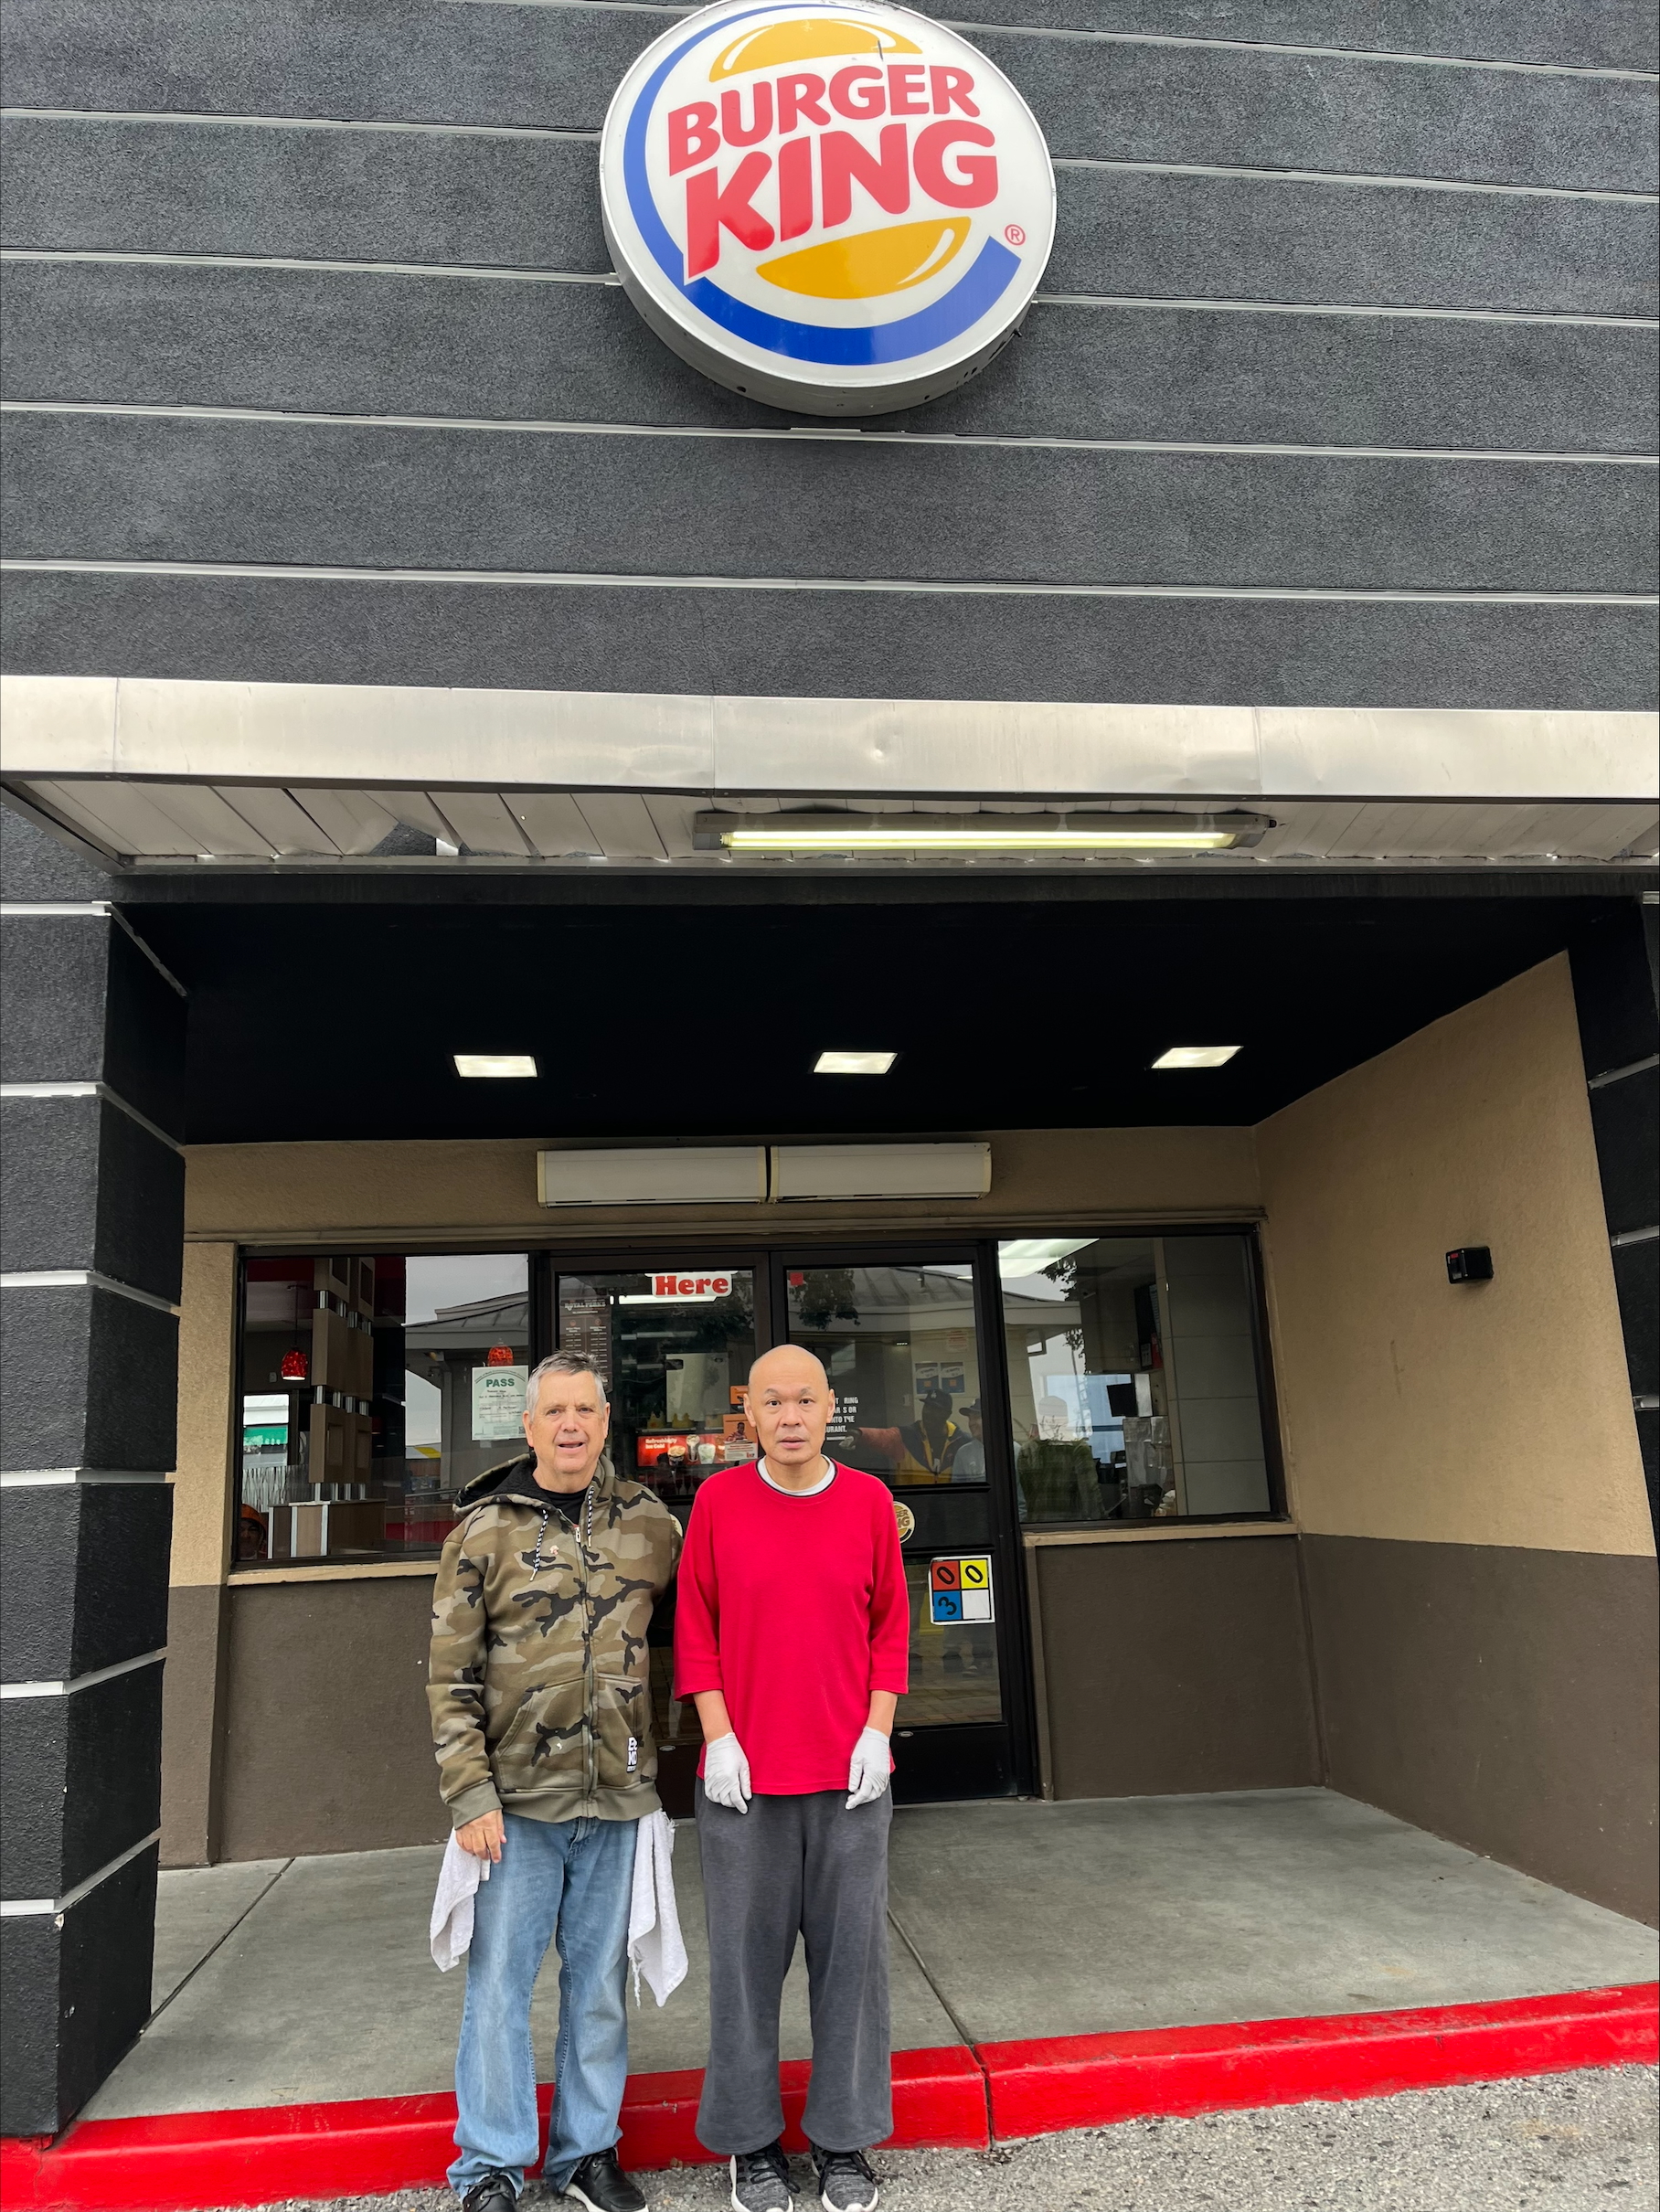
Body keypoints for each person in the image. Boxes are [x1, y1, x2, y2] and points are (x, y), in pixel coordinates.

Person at [429, 1353, 682, 2212]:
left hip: (617, 1800)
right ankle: (490, 2167)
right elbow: (448, 1677)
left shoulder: (653, 1526)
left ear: (607, 1421)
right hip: (516, 1805)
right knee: (500, 1986)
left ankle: (587, 2153)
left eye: (586, 1409)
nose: (571, 1425)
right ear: (530, 1426)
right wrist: (469, 1797)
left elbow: (690, 1645)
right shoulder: (483, 1531)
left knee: (600, 1986)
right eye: (555, 1412)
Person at [674, 1345, 909, 2212]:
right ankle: (752, 2142)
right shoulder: (719, 1501)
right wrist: (719, 1737)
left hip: (850, 1782)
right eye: (773, 1402)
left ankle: (843, 2141)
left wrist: (877, 1733)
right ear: (749, 1411)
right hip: (743, 1783)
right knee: (744, 1968)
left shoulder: (870, 1502)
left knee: (851, 1966)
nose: (791, 1416)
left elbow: (891, 1626)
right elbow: (694, 1627)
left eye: (805, 1400)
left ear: (829, 1407)